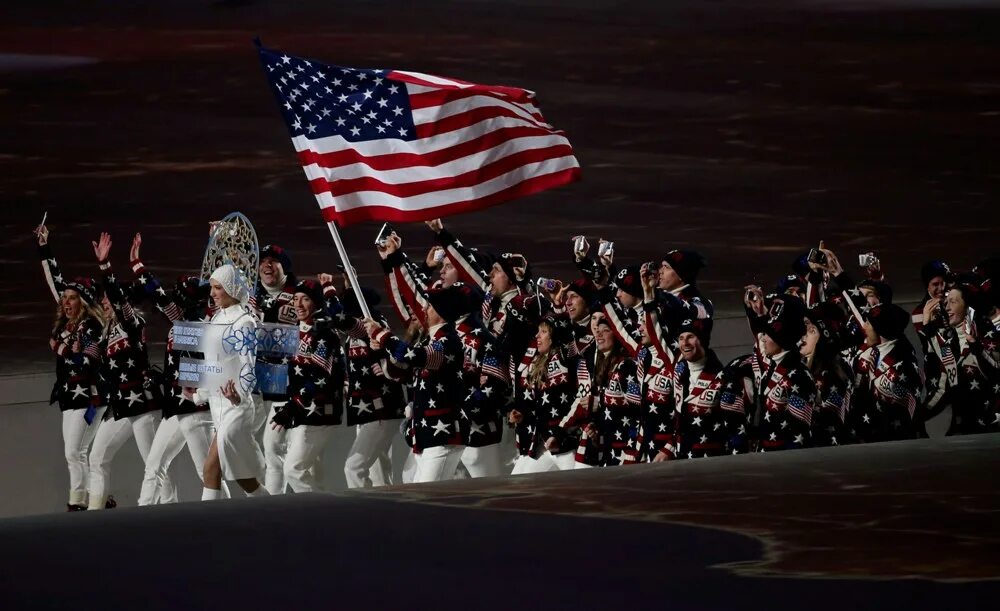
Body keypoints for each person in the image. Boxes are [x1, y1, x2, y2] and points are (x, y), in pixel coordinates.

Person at [129, 233, 221, 504]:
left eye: (179, 295)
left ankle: (226, 519)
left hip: (196, 409)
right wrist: (137, 264)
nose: (173, 300)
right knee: (153, 466)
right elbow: (157, 295)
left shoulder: (203, 323)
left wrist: (213, 242)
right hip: (176, 407)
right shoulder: (182, 321)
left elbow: (199, 364)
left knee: (208, 473)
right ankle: (143, 519)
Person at [86, 232, 175, 510]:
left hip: (143, 402)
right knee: (97, 458)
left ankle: (174, 510)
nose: (103, 304)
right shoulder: (105, 332)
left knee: (154, 463)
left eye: (107, 301)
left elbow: (116, 295)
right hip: (122, 405)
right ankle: (94, 512)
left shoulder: (131, 323)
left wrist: (105, 266)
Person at [364, 285, 466, 483]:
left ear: (441, 313)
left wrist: (382, 335)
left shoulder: (448, 342)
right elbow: (399, 370)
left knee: (428, 498)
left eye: (429, 306)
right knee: (416, 489)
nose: (425, 310)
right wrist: (381, 349)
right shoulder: (432, 340)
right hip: (426, 433)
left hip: (442, 435)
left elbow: (414, 356)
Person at [36, 223, 105, 511]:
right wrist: (43, 246)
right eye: (64, 298)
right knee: (77, 453)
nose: (65, 301)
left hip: (88, 395)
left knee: (74, 452)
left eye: (72, 297)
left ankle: (78, 502)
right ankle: (95, 500)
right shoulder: (67, 322)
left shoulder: (91, 324)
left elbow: (87, 360)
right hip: (69, 395)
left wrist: (62, 348)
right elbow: (55, 280)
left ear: (84, 301)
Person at [185, 264, 268, 499]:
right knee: (244, 478)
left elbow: (248, 367)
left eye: (218, 288)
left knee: (211, 468)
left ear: (232, 288)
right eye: (212, 287)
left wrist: (238, 395)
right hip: (217, 405)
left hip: (237, 407)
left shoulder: (244, 322)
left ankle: (208, 525)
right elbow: (214, 363)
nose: (212, 293)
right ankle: (273, 511)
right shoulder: (218, 317)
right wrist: (199, 394)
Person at [269, 279, 345, 492]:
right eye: (296, 299)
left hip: (318, 411)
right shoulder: (294, 331)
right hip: (301, 410)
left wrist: (293, 406)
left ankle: (319, 515)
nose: (299, 304)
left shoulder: (324, 335)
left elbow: (321, 376)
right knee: (311, 471)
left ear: (317, 303)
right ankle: (319, 516)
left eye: (306, 299)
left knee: (294, 469)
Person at [509, 315, 588, 473]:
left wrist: (558, 310)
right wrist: (522, 415)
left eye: (543, 332)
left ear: (554, 336)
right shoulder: (537, 363)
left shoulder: (565, 356)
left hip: (567, 441)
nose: (537, 336)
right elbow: (539, 407)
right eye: (538, 332)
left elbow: (570, 342)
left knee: (581, 491)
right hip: (543, 442)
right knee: (517, 481)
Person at [254, 244, 300, 495]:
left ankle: (273, 506)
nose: (267, 265)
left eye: (274, 260)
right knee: (239, 436)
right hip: (255, 379)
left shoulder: (301, 295)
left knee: (274, 449)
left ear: (286, 266)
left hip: (288, 380)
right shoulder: (250, 295)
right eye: (263, 260)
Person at [921, 274, 993, 436]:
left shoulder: (987, 336)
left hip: (990, 430)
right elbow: (945, 387)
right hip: (962, 431)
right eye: (946, 303)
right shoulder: (950, 342)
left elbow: (994, 372)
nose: (946, 308)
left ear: (968, 307)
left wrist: (976, 346)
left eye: (953, 302)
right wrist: (917, 417)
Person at [572, 314, 642, 467]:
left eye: (606, 330)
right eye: (598, 331)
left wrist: (600, 402)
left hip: (626, 448)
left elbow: (637, 405)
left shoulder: (627, 365)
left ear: (617, 335)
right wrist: (596, 430)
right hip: (609, 447)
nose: (599, 333)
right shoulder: (602, 367)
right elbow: (609, 410)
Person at [850, 304, 922, 443]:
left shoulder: (904, 364)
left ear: (880, 330)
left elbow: (904, 413)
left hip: (893, 442)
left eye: (868, 323)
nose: (864, 327)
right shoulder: (869, 353)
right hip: (868, 436)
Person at [803, 302, 854, 447]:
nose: (801, 336)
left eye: (808, 328)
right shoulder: (804, 364)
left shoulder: (835, 373)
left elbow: (822, 416)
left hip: (828, 449)